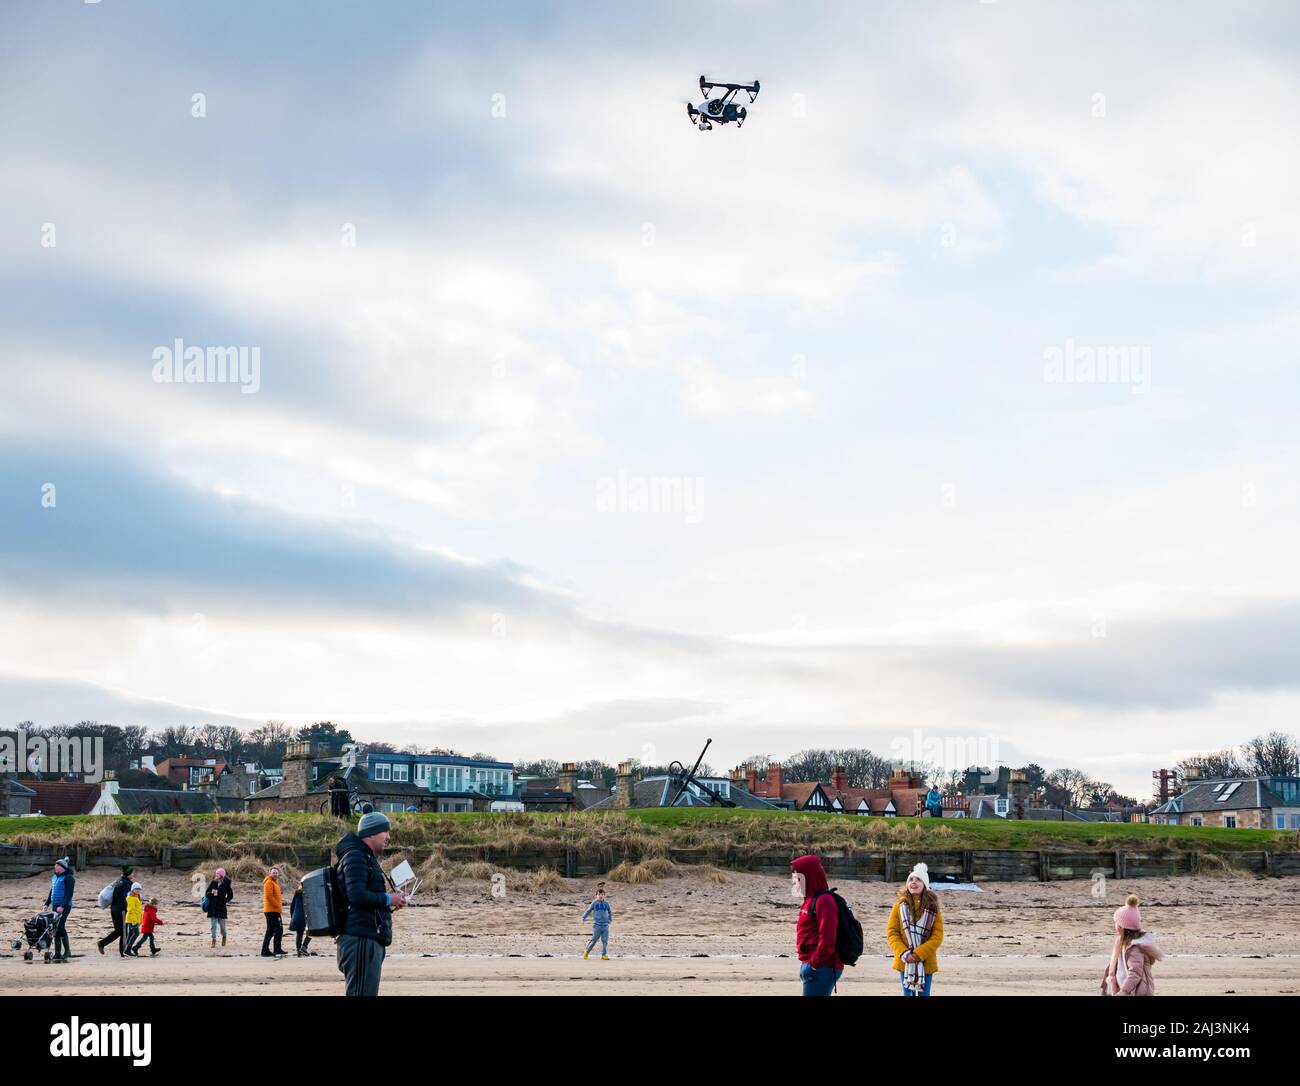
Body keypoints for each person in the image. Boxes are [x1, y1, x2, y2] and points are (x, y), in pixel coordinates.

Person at [335, 807, 408, 996]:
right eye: (385, 831)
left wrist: (389, 903)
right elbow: (357, 895)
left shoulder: (363, 856)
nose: (388, 837)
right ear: (372, 833)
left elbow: (363, 899)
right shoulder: (355, 856)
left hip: (366, 938)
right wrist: (388, 898)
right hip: (360, 939)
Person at [886, 862, 944, 996]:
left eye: (918, 879)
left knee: (925, 995)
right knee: (908, 994)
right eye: (911, 879)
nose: (914, 882)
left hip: (926, 959)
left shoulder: (933, 909)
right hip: (905, 960)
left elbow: (937, 937)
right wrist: (905, 953)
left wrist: (918, 954)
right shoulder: (898, 907)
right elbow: (892, 933)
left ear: (925, 885)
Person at [791, 854, 843, 996]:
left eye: (797, 876)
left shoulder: (824, 900)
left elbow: (828, 939)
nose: (794, 880)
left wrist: (813, 964)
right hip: (812, 963)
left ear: (808, 876)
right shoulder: (809, 899)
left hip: (822, 966)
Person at [1104, 894, 1164, 996]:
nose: (1115, 925)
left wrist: (1123, 991)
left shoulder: (1135, 948)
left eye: (1116, 922)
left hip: (1137, 991)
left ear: (1121, 927)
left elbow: (1135, 973)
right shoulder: (1122, 942)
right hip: (1128, 989)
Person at [43, 856, 75, 963]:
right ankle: (57, 953)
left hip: (65, 905)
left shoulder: (69, 877)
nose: (55, 867)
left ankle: (67, 951)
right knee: (55, 927)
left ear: (62, 867)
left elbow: (69, 893)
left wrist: (62, 905)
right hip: (55, 905)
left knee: (60, 926)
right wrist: (47, 903)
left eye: (57, 865)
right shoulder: (55, 877)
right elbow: (52, 890)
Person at [97, 865, 134, 957]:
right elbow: (126, 898)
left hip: (113, 909)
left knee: (119, 931)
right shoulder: (126, 883)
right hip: (121, 910)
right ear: (128, 874)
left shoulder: (118, 881)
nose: (133, 874)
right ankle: (124, 952)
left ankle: (102, 943)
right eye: (132, 872)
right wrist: (129, 909)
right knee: (124, 931)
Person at [581, 882, 612, 960]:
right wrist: (583, 917)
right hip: (597, 925)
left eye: (602, 895)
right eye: (599, 895)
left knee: (605, 941)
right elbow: (588, 910)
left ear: (604, 895)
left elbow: (609, 911)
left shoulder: (606, 903)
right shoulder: (594, 903)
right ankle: (586, 952)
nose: (601, 896)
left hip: (605, 925)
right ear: (596, 895)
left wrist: (609, 919)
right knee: (593, 940)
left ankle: (604, 955)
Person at [205, 868, 234, 948]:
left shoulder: (226, 884)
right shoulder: (213, 882)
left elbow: (231, 895)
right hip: (212, 907)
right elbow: (206, 893)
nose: (216, 875)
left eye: (217, 874)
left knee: (222, 927)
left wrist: (224, 901)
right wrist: (211, 892)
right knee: (213, 926)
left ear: (221, 875)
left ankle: (224, 937)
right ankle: (213, 940)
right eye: (216, 873)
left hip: (221, 908)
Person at [261, 867, 286, 957]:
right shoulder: (269, 882)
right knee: (278, 930)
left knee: (271, 931)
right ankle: (274, 949)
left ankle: (269, 950)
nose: (275, 874)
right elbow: (269, 896)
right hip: (271, 911)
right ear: (270, 873)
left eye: (276, 873)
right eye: (273, 872)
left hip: (274, 911)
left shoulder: (274, 883)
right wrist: (277, 905)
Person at [289, 879, 312, 956]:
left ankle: (298, 951)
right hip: (306, 916)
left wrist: (292, 916)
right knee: (311, 931)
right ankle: (304, 947)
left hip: (297, 916)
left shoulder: (297, 893)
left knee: (299, 934)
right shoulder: (308, 893)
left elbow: (292, 906)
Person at [123, 883, 144, 957]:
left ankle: (126, 950)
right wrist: (134, 920)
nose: (138, 890)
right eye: (136, 889)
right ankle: (127, 950)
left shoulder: (136, 897)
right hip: (132, 919)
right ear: (133, 889)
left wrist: (139, 920)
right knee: (136, 933)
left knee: (131, 934)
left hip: (134, 919)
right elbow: (131, 910)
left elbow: (138, 910)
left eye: (139, 889)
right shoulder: (131, 898)